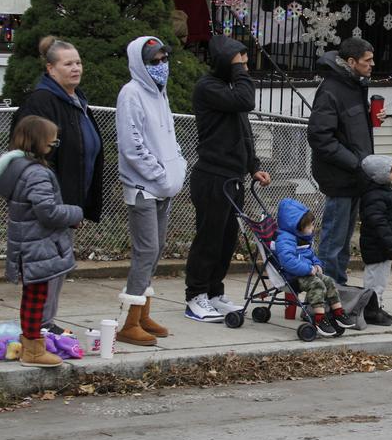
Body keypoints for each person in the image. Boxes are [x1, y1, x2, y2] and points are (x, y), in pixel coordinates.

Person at [11, 36, 105, 335]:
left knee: (58, 267)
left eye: (78, 62)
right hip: (48, 205)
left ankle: (45, 324)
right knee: (46, 269)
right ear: (51, 69)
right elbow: (33, 153)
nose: (76, 68)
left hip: (67, 204)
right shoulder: (42, 102)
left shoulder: (77, 99)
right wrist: (55, 205)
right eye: (68, 63)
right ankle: (38, 328)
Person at [184, 35, 271, 322]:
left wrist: (252, 165)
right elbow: (247, 99)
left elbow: (244, 132)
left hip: (233, 178)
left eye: (245, 64)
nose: (245, 69)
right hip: (212, 176)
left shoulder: (230, 90)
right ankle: (195, 296)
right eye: (239, 63)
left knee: (226, 240)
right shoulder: (208, 88)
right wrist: (238, 71)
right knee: (208, 239)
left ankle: (213, 292)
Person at [0, 116, 83, 368]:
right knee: (36, 298)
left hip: (27, 243)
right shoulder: (37, 173)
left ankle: (32, 345)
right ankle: (33, 350)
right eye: (51, 140)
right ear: (38, 141)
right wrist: (75, 213)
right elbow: (47, 212)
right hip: (38, 245)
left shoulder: (16, 168)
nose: (54, 144)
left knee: (33, 297)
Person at [115, 36, 187, 345]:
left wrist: (177, 167)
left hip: (163, 186)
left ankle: (143, 313)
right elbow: (132, 145)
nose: (160, 66)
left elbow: (167, 138)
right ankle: (128, 321)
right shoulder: (131, 94)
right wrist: (158, 174)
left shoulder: (161, 94)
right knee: (145, 251)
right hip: (143, 187)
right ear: (140, 64)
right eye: (153, 61)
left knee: (155, 251)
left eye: (163, 59)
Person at [307, 37, 383, 285]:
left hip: (355, 175)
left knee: (344, 240)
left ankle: (338, 287)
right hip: (339, 176)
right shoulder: (331, 89)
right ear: (351, 62)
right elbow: (320, 137)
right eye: (367, 60)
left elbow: (349, 128)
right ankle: (326, 294)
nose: (372, 64)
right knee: (333, 240)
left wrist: (372, 119)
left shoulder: (355, 85)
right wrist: (355, 162)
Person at [274, 199, 356, 337]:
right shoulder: (285, 240)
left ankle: (338, 313)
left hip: (307, 272)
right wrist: (308, 268)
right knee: (317, 285)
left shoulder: (302, 237)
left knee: (329, 281)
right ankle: (319, 319)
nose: (313, 228)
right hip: (293, 276)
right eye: (310, 225)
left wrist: (317, 264)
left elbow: (310, 255)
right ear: (298, 225)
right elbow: (288, 261)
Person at [359, 155, 392, 310]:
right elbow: (378, 223)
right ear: (381, 175)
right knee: (374, 277)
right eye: (391, 169)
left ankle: (376, 303)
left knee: (382, 278)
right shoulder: (374, 196)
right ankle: (369, 306)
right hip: (377, 245)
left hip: (385, 246)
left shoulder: (386, 190)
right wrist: (391, 243)